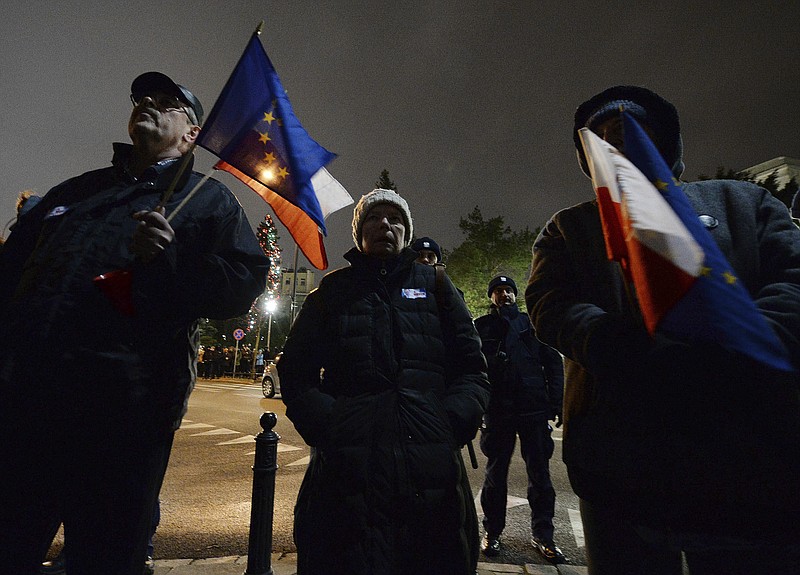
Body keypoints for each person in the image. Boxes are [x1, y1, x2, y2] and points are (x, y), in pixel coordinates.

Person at [0, 71, 268, 575]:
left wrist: (172, 256)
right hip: (27, 403)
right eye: (143, 97)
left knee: (105, 555)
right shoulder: (76, 192)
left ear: (192, 133)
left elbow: (242, 284)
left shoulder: (208, 200)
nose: (148, 102)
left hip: (122, 413)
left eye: (167, 102)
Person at [526, 85, 800, 575]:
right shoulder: (569, 228)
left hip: (746, 457)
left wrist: (746, 340)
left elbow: (793, 277)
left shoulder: (744, 202)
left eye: (631, 130)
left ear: (665, 142)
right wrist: (621, 347)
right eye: (601, 137)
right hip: (619, 460)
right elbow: (551, 303)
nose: (616, 143)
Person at [278, 189, 491, 575]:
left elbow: (472, 367)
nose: (385, 225)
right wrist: (331, 425)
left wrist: (449, 422)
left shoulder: (438, 286)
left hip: (429, 467)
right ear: (359, 232)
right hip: (348, 467)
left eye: (394, 219)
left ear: (406, 233)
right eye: (374, 218)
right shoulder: (332, 291)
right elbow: (295, 370)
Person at [474, 275, 566, 564]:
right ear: (492, 297)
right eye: (499, 291)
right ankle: (492, 532)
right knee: (494, 476)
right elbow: (472, 366)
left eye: (509, 290)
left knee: (540, 476)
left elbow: (553, 363)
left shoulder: (532, 324)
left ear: (516, 295)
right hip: (499, 410)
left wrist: (557, 402)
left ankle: (544, 535)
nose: (505, 295)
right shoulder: (483, 327)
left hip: (533, 409)